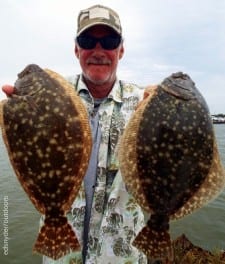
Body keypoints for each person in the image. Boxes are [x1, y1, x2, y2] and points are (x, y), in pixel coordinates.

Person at [2, 4, 148, 264]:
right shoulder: (54, 92)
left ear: (121, 50)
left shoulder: (143, 104)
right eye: (88, 40)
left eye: (110, 41)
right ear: (76, 49)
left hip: (121, 255)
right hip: (60, 251)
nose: (99, 50)